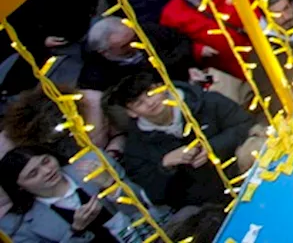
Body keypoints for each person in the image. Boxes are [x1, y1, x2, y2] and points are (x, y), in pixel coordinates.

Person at [107, 73, 258, 210]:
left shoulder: (206, 101)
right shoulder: (136, 148)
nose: (149, 103)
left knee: (255, 145)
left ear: (162, 87)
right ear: (131, 112)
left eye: (150, 93)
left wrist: (212, 147)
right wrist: (165, 166)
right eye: (139, 103)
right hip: (204, 204)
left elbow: (245, 124)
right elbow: (154, 196)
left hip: (240, 169)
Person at [0, 145, 161, 243]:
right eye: (33, 173)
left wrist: (113, 187)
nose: (47, 171)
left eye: (46, 161)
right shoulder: (17, 225)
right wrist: (76, 231)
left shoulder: (92, 163)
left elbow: (147, 203)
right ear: (19, 187)